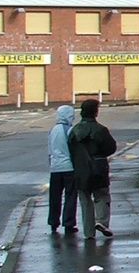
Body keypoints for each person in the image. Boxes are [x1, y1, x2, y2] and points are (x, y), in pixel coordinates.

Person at [69, 97, 118, 238]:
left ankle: (88, 233)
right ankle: (102, 221)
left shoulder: (74, 131)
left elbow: (70, 150)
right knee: (102, 195)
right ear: (95, 112)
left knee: (85, 200)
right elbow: (110, 148)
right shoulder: (100, 130)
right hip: (98, 168)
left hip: (80, 170)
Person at [46, 104, 78, 235]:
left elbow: (50, 151)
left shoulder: (52, 131)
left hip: (55, 168)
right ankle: (68, 223)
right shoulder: (69, 130)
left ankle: (54, 222)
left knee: (55, 197)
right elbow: (74, 150)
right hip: (68, 168)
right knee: (70, 196)